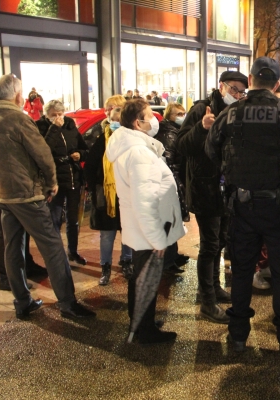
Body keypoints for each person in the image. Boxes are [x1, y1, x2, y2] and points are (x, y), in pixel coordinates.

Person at [206, 56, 280, 358]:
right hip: (279, 208)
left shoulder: (229, 114)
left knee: (242, 272)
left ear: (251, 78)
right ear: (278, 83)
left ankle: (238, 337)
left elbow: (210, 150)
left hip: (241, 208)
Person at [0, 74, 95, 319]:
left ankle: (22, 301)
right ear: (17, 95)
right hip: (27, 196)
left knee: (13, 248)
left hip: (2, 195)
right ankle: (67, 303)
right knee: (53, 247)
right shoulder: (18, 120)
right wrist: (52, 183)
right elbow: (43, 155)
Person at [106, 98, 185, 344]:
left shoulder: (132, 146)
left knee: (141, 277)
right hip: (147, 230)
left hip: (139, 229)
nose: (154, 119)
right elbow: (145, 200)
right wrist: (157, 238)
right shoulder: (139, 153)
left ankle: (141, 323)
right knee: (146, 279)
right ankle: (146, 332)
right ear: (137, 123)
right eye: (150, 115)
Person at [177, 70, 248, 323]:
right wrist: (201, 127)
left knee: (219, 242)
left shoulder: (237, 111)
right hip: (205, 188)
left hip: (225, 188)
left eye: (241, 91)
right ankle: (207, 301)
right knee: (209, 245)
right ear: (221, 87)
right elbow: (181, 146)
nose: (237, 95)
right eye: (233, 89)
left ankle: (213, 288)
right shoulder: (201, 109)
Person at [0, 83, 47, 292]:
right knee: (6, 235)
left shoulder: (16, 120)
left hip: (17, 187)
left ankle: (25, 265)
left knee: (20, 231)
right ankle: (5, 276)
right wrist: (8, 174)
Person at [84, 102, 133, 285]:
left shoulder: (131, 141)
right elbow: (90, 167)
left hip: (126, 194)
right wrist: (96, 188)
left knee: (127, 231)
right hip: (106, 196)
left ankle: (127, 261)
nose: (117, 124)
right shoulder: (101, 141)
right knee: (107, 235)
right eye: (114, 121)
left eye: (120, 121)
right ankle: (105, 267)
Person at [36, 100, 89, 266]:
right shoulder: (41, 126)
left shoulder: (70, 124)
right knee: (55, 219)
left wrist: (80, 154)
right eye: (54, 115)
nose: (59, 118)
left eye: (61, 114)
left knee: (73, 219)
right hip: (55, 180)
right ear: (47, 115)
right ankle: (56, 256)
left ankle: (72, 251)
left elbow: (83, 147)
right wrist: (54, 128)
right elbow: (43, 151)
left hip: (73, 178)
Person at [154, 102, 190, 272]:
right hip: (172, 182)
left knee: (174, 218)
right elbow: (168, 161)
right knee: (170, 219)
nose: (182, 116)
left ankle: (173, 255)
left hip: (175, 181)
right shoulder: (169, 134)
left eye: (183, 113)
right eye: (178, 113)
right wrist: (177, 181)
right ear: (170, 116)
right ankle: (168, 261)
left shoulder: (175, 131)